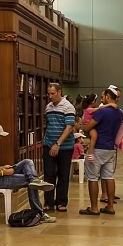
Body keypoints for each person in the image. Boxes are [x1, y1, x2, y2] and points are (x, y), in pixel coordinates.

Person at [0, 123, 54, 214]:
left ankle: (34, 180)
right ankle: (39, 213)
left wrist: (1, 168)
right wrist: (4, 172)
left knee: (27, 162)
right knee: (29, 181)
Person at [80, 85, 123, 215]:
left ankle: (94, 208)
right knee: (109, 176)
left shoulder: (102, 112)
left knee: (93, 178)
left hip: (98, 147)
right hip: (111, 148)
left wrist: (85, 128)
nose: (101, 99)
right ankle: (110, 206)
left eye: (103, 97)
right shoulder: (119, 113)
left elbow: (88, 128)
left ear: (108, 96)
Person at [42, 81, 77, 212]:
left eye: (53, 93)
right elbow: (49, 125)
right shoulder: (48, 107)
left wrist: (58, 144)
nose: (50, 96)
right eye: (49, 94)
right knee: (49, 174)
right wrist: (48, 142)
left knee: (63, 174)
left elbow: (69, 128)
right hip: (48, 144)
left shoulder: (68, 107)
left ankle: (61, 202)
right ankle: (48, 202)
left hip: (65, 147)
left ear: (59, 92)